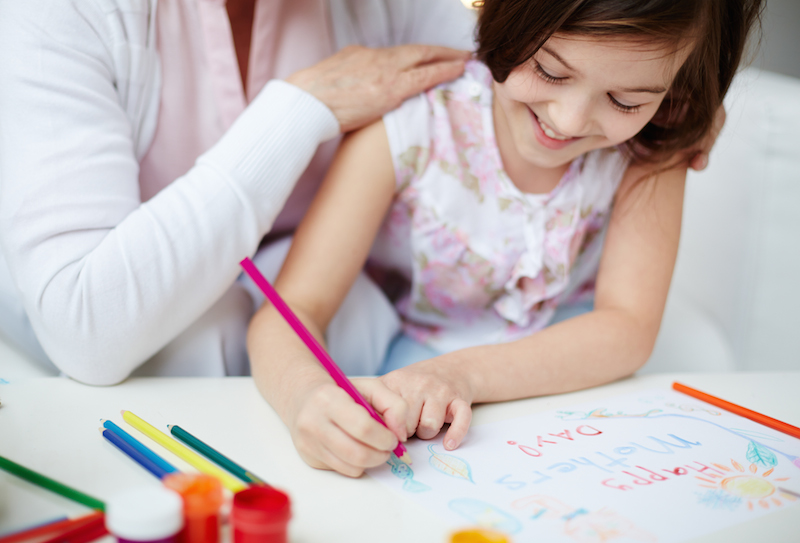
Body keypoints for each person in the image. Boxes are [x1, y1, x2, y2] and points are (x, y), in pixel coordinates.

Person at [247, 0, 763, 477]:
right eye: (549, 71)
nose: (568, 120)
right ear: (499, 15)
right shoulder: (410, 126)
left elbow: (627, 328)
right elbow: (290, 310)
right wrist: (304, 398)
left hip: (562, 385)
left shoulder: (656, 141)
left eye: (626, 101)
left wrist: (462, 375)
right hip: (410, 385)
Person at [0, 0, 478, 384]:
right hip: (110, 354)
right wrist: (303, 110)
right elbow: (85, 329)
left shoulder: (384, 8)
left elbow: (512, 72)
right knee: (207, 335)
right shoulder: (58, 12)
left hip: (313, 338)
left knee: (358, 310)